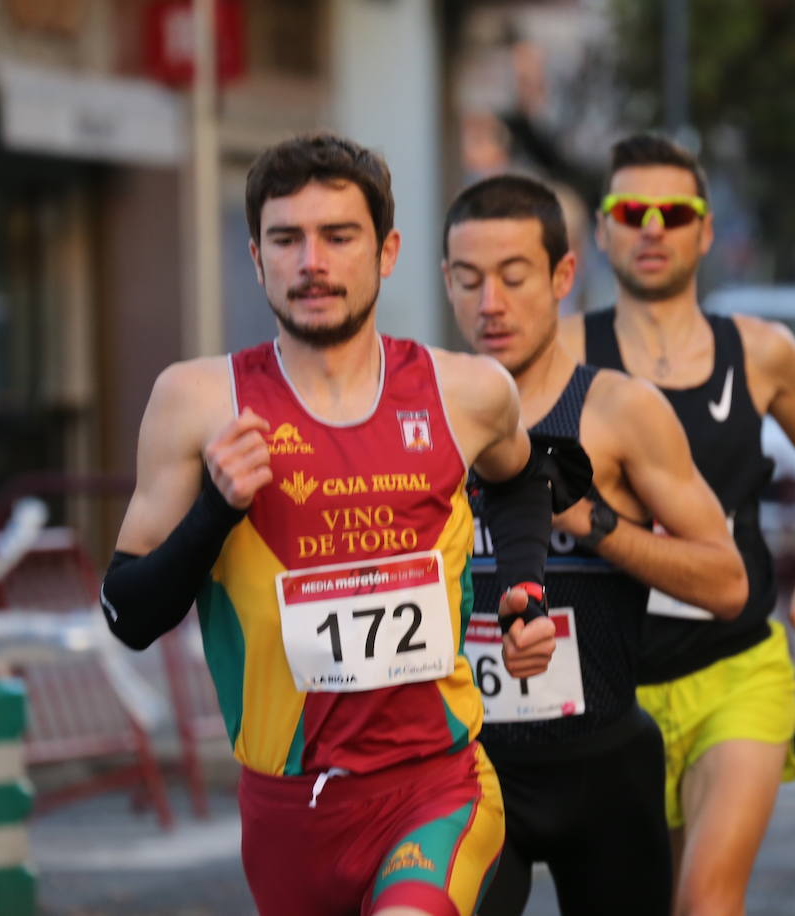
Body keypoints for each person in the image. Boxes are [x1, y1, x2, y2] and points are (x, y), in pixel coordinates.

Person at [100, 133, 583, 916]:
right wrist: (217, 512)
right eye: (287, 239)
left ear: (387, 252)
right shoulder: (198, 403)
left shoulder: (468, 393)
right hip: (287, 810)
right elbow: (127, 613)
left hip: (437, 785)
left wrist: (523, 585)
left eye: (338, 237)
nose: (311, 262)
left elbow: (524, 475)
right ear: (257, 258)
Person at [558, 133, 795, 915]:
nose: (651, 227)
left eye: (673, 211)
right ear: (603, 229)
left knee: (707, 901)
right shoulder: (559, 356)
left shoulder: (760, 352)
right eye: (631, 210)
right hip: (609, 689)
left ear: (706, 230)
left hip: (737, 666)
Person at [442, 175, 748, 915]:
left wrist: (596, 525)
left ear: (562, 277)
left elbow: (725, 582)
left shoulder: (619, 410)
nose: (491, 305)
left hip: (603, 764)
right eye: (468, 280)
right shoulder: (424, 410)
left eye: (514, 278)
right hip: (468, 772)